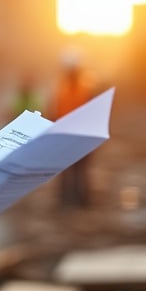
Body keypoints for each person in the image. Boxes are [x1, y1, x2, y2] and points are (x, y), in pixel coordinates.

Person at [51, 49, 95, 207]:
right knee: (66, 172)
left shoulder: (86, 90)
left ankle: (82, 200)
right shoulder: (61, 90)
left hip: (81, 138)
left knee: (80, 172)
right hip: (65, 137)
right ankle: (65, 201)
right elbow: (55, 113)